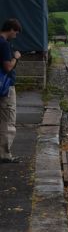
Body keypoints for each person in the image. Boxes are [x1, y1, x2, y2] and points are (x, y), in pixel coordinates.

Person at [0, 18, 22, 164]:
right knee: (7, 121)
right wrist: (16, 58)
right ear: (11, 29)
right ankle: (5, 155)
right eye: (16, 32)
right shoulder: (4, 44)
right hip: (5, 87)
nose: (16, 35)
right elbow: (8, 67)